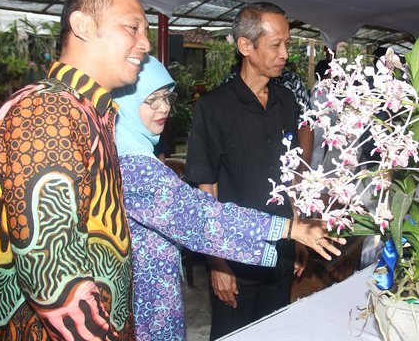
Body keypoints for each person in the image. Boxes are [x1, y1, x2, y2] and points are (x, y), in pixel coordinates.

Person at [112, 55, 344, 340]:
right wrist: (291, 229)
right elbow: (199, 215)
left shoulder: (132, 150)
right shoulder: (131, 164)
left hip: (158, 301)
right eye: (151, 100)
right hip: (141, 310)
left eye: (166, 97)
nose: (164, 109)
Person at [0, 0, 149, 340]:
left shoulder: (87, 111)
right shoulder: (48, 110)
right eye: (132, 27)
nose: (145, 45)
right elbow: (52, 274)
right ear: (83, 26)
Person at [184, 2, 309, 339]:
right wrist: (217, 263)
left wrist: (297, 234)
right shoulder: (214, 108)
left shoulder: (286, 102)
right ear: (245, 46)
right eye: (276, 45)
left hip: (281, 251)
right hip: (235, 258)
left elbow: (291, 172)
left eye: (287, 44)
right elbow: (205, 191)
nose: (285, 54)